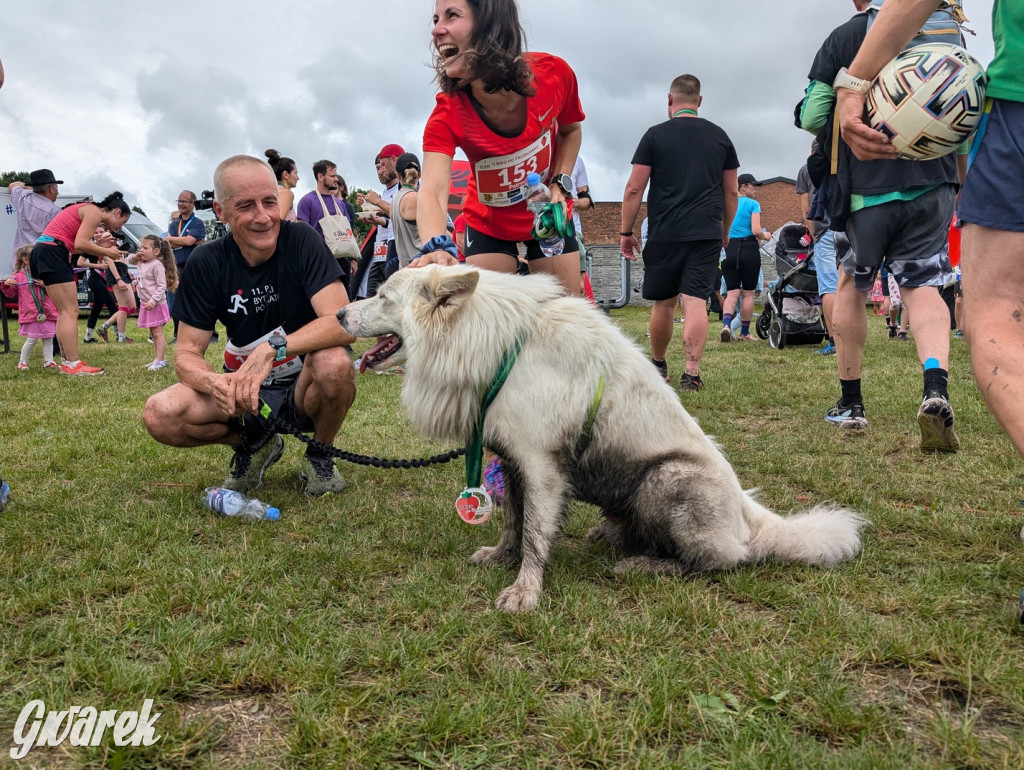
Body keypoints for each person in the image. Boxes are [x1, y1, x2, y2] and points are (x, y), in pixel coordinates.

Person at [143, 155, 356, 498]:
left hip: (305, 384)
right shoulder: (206, 261)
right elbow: (186, 353)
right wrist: (213, 382)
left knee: (334, 361)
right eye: (246, 206)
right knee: (160, 413)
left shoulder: (301, 239)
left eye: (270, 202)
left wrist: (272, 349)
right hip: (247, 393)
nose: (263, 216)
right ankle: (254, 444)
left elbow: (343, 323)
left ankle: (320, 454)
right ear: (220, 211)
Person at [800, 0, 961, 452]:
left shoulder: (848, 35)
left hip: (866, 187)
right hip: (935, 180)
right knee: (925, 286)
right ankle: (935, 389)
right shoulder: (946, 27)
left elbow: (814, 116)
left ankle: (851, 405)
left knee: (851, 282)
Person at [412, 0, 585, 297]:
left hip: (546, 215)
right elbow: (433, 190)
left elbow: (571, 131)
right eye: (436, 18)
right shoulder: (447, 113)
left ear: (491, 24)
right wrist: (436, 247)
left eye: (452, 15)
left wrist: (561, 183)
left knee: (566, 321)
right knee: (489, 330)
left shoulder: (555, 75)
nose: (436, 30)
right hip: (488, 225)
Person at [620, 74, 739, 392]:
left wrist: (626, 231)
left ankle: (658, 367)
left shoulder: (654, 136)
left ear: (669, 100)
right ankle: (692, 373)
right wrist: (724, 231)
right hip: (706, 232)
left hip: (665, 231)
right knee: (696, 301)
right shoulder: (720, 137)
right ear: (699, 102)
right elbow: (731, 194)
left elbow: (634, 188)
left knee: (664, 303)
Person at [29, 191, 131, 375]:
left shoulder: (86, 210)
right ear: (117, 212)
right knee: (70, 310)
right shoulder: (93, 212)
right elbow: (82, 243)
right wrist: (108, 252)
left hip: (44, 251)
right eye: (122, 222)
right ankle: (73, 364)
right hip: (52, 252)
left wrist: (99, 243)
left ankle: (67, 362)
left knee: (64, 311)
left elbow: (74, 245)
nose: (118, 228)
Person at [721, 173, 772, 342]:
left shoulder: (727, 203)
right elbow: (756, 230)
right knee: (748, 294)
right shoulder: (753, 204)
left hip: (729, 248)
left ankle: (727, 325)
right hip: (749, 248)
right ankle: (744, 332)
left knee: (731, 293)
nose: (756, 189)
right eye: (753, 185)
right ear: (743, 186)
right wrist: (766, 236)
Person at [796, 154, 838, 355]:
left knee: (829, 287)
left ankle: (835, 342)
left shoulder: (805, 170)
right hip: (849, 229)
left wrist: (815, 236)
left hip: (824, 230)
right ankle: (853, 338)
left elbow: (806, 209)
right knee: (849, 286)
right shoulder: (846, 163)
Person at [296, 159, 357, 287]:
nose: (336, 179)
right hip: (319, 260)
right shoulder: (307, 201)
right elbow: (301, 234)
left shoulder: (340, 204)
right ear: (320, 176)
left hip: (342, 260)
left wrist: (353, 259)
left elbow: (349, 232)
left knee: (345, 301)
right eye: (332, 176)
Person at [355, 144, 403, 299]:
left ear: (393, 161)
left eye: (382, 166)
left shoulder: (402, 188)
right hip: (381, 248)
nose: (380, 171)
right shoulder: (385, 192)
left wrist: (376, 202)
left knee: (392, 294)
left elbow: (400, 215)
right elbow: (389, 221)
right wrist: (373, 217)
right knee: (372, 296)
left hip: (395, 245)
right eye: (377, 168)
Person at [2, 246, 59, 370]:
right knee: (32, 339)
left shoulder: (45, 274)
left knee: (48, 338)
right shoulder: (19, 277)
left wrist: (46, 285)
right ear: (25, 260)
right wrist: (6, 285)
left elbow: (55, 291)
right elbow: (10, 294)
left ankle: (49, 362)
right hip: (31, 313)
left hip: (48, 312)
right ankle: (22, 362)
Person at [129, 235, 176, 371]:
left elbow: (162, 286)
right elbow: (129, 259)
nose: (141, 251)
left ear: (156, 251)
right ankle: (157, 358)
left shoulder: (156, 265)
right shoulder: (141, 262)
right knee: (153, 334)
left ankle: (160, 360)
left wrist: (153, 301)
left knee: (157, 334)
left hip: (155, 305)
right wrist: (136, 256)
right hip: (146, 304)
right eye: (140, 248)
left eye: (145, 248)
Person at [165, 191, 206, 341]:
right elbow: (170, 242)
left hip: (193, 266)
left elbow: (187, 242)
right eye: (179, 201)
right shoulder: (175, 224)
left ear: (192, 204)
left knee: (196, 299)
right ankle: (178, 335)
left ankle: (205, 333)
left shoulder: (198, 223)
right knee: (176, 300)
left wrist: (184, 240)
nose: (181, 203)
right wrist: (189, 240)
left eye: (184, 201)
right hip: (176, 267)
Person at [7, 169, 63, 269]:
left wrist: (31, 187)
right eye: (56, 188)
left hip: (20, 263)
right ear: (51, 189)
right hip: (42, 264)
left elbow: (13, 185)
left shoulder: (23, 198)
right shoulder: (55, 211)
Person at [79, 227, 121, 344]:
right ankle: (119, 336)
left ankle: (88, 337)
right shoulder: (89, 246)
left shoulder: (109, 246)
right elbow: (80, 263)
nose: (98, 234)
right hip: (95, 279)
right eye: (96, 232)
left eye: (101, 232)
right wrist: (98, 266)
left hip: (104, 279)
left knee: (96, 309)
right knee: (113, 307)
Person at [391, 153, 423, 270]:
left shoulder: (395, 200)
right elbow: (440, 235)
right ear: (419, 174)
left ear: (398, 175)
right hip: (423, 269)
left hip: (405, 271)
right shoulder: (417, 199)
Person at [97, 251, 137, 344]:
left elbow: (122, 260)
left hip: (123, 272)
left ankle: (104, 327)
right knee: (123, 307)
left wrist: (128, 273)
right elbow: (110, 261)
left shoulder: (116, 245)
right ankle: (121, 337)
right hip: (117, 275)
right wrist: (118, 279)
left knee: (131, 307)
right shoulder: (107, 247)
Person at [265, 149, 299, 221]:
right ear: (286, 174)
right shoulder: (285, 193)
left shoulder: (271, 191)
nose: (298, 178)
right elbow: (277, 222)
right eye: (295, 173)